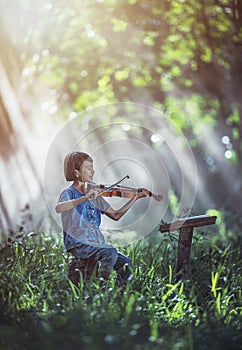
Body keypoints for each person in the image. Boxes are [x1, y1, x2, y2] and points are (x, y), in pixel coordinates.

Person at [55, 151, 149, 287]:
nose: (93, 172)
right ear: (76, 173)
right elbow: (59, 208)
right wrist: (84, 198)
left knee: (126, 264)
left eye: (93, 168)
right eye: (88, 168)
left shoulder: (95, 195)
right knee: (110, 251)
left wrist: (134, 198)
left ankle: (118, 293)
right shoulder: (68, 193)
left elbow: (116, 215)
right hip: (79, 243)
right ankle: (99, 286)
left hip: (96, 244)